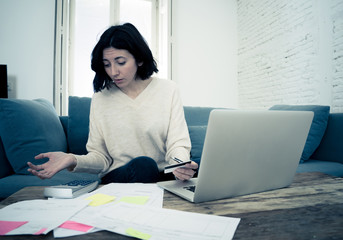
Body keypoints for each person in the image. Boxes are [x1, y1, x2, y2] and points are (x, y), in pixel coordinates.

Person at [27, 23, 198, 183]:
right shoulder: (101, 99)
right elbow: (101, 157)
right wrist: (72, 159)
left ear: (139, 59)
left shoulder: (167, 89)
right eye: (107, 65)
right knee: (144, 166)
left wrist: (181, 165)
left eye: (121, 62)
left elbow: (178, 143)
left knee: (198, 171)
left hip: (162, 175)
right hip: (120, 176)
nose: (113, 72)